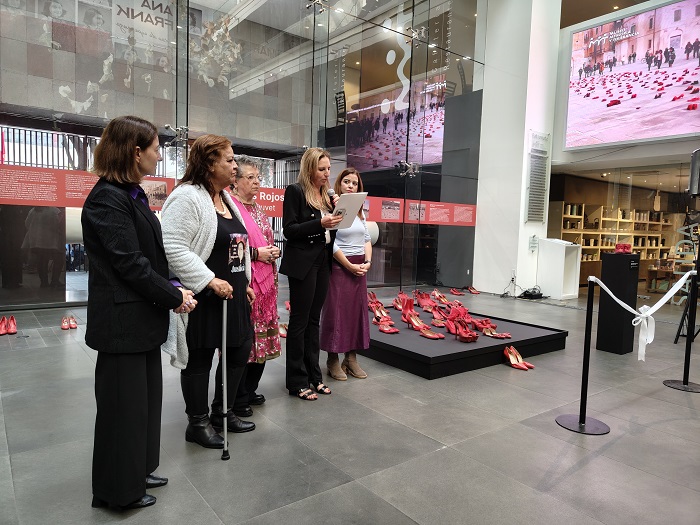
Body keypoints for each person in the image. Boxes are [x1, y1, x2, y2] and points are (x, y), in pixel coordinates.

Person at [82, 116, 196, 511]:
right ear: (135, 151)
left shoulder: (131, 194)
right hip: (121, 324)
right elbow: (130, 263)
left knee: (143, 406)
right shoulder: (106, 199)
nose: (158, 154)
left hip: (140, 320)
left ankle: (138, 470)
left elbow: (152, 256)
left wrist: (173, 286)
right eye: (154, 147)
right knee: (122, 412)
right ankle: (118, 491)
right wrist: (173, 296)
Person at [161, 134, 255, 449]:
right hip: (204, 296)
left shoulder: (226, 198)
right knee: (200, 360)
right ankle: (197, 423)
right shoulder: (187, 196)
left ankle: (222, 413)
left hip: (235, 294)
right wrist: (209, 280)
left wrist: (247, 281)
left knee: (239, 351)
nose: (235, 166)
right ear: (209, 163)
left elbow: (238, 246)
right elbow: (173, 246)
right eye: (228, 159)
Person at [279, 147, 342, 401]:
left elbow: (332, 233)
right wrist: (320, 223)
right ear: (309, 169)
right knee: (300, 321)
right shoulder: (296, 191)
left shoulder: (327, 196)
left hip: (323, 260)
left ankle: (315, 376)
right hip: (302, 263)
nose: (327, 174)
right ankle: (296, 381)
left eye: (328, 168)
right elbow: (290, 230)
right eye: (322, 169)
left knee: (314, 320)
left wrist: (339, 213)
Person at [229, 155, 281, 417]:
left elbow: (265, 242)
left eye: (258, 177)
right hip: (246, 287)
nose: (257, 182)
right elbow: (232, 249)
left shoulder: (258, 209)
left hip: (266, 287)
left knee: (262, 340)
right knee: (245, 344)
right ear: (235, 182)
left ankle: (249, 389)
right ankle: (237, 395)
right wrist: (258, 253)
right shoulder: (232, 208)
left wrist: (271, 254)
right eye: (250, 178)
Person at [320, 167, 371, 381]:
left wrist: (367, 262)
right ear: (338, 184)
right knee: (337, 313)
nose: (351, 186)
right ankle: (332, 359)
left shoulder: (360, 211)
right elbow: (330, 244)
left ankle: (351, 359)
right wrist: (349, 266)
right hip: (341, 267)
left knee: (356, 314)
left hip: (360, 267)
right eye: (346, 182)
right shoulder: (331, 209)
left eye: (354, 183)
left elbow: (367, 238)